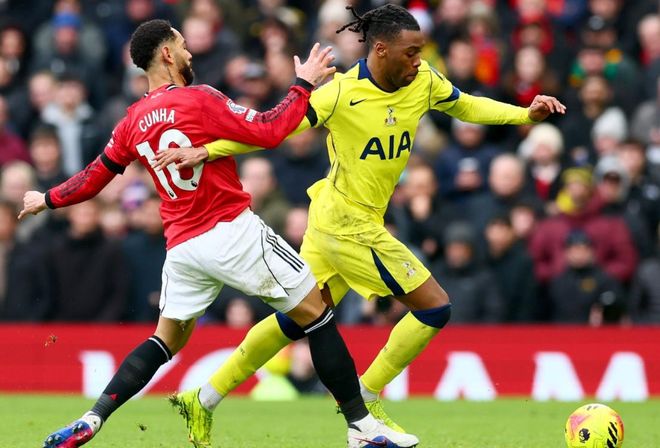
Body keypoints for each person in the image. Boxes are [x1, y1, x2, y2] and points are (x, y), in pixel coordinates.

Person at [154, 3, 565, 439]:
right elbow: (274, 130)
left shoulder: (424, 81)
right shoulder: (339, 94)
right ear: (381, 49)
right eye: (410, 52)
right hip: (347, 224)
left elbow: (466, 106)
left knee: (296, 319)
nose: (418, 61)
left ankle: (204, 398)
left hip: (336, 218)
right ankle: (365, 400)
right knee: (434, 307)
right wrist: (208, 150)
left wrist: (524, 115)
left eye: (420, 51)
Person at [19, 19, 416, 448]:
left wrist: (48, 198)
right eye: (182, 45)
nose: (189, 53)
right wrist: (302, 84)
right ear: (167, 54)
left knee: (164, 340)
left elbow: (95, 175)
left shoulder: (132, 120)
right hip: (230, 231)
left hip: (182, 247)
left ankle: (92, 417)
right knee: (317, 315)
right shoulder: (199, 98)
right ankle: (362, 429)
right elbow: (269, 130)